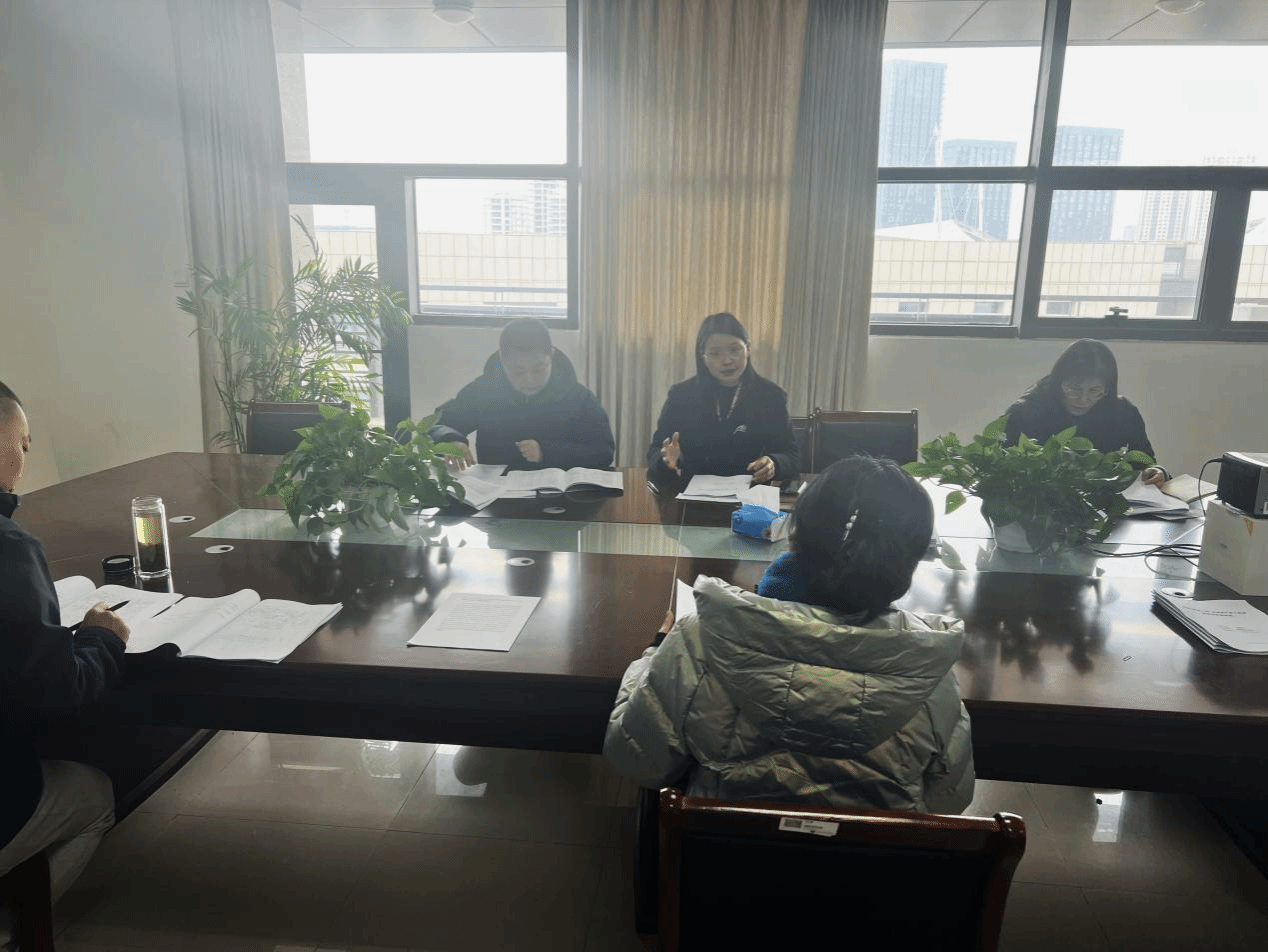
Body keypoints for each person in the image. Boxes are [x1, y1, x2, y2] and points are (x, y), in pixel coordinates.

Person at [604, 455, 974, 814]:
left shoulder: (700, 639)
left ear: (797, 532)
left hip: (716, 852)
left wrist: (655, 652)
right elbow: (948, 800)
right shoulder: (928, 669)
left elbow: (636, 759)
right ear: (909, 560)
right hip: (871, 857)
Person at [0, 382, 131, 926]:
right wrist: (101, 637)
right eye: (22, 443)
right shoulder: (8, 549)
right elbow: (56, 693)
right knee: (94, 796)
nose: (24, 459)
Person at [427, 318, 615, 471]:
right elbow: (437, 424)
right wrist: (451, 441)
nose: (529, 380)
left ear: (551, 355)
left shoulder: (576, 396)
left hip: (560, 497)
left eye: (539, 369)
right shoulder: (483, 391)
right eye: (518, 372)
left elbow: (602, 452)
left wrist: (547, 452)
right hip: (497, 496)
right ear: (502, 360)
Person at [646, 312, 798, 490]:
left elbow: (791, 455)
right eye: (715, 353)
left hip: (750, 495)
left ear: (748, 349)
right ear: (703, 357)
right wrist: (665, 460)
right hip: (692, 496)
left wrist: (774, 463)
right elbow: (656, 450)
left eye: (734, 350)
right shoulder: (681, 395)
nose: (726, 361)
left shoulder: (771, 396)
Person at [1004, 339, 1166, 485]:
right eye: (1074, 389)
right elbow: (1001, 468)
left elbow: (1145, 463)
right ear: (1058, 383)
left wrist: (1158, 473)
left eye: (1094, 390)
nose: (1083, 399)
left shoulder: (1123, 412)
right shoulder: (1024, 413)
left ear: (1107, 389)